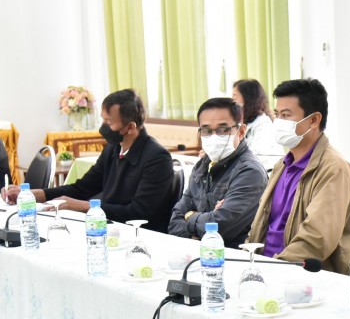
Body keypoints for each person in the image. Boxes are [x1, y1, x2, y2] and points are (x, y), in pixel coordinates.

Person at [1, 89, 175, 232]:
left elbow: (139, 213)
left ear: (130, 127)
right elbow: (83, 187)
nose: (103, 127)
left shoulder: (157, 158)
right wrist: (37, 194)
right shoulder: (113, 148)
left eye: (109, 122)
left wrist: (85, 206)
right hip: (108, 226)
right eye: (103, 120)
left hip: (140, 233)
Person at [246, 79, 350, 274]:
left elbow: (316, 239)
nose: (278, 122)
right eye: (277, 114)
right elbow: (260, 226)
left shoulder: (334, 170)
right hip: (264, 269)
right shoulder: (282, 165)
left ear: (314, 120)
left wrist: (273, 269)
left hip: (302, 276)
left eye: (286, 115)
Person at [168, 98, 267, 248]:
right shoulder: (202, 165)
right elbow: (174, 222)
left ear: (241, 131)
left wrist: (190, 216)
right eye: (207, 131)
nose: (214, 136)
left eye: (223, 130)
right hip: (197, 252)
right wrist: (202, 224)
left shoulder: (250, 172)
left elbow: (219, 229)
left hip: (232, 255)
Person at [232, 79, 284, 165]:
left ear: (247, 98)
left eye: (234, 96)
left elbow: (255, 157)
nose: (232, 101)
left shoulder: (263, 124)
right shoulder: (248, 123)